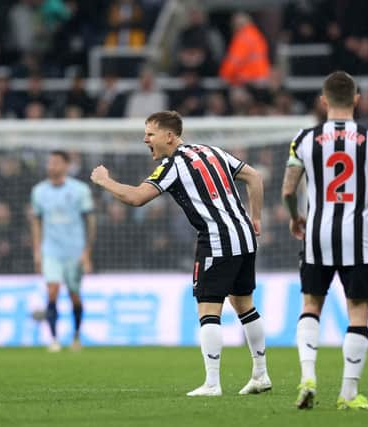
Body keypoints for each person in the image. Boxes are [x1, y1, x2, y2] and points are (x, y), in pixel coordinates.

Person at [90, 111, 271, 397]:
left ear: (169, 136)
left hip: (216, 240)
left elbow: (137, 198)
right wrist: (256, 217)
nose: (145, 138)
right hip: (244, 236)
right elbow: (254, 177)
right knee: (244, 305)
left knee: (208, 309)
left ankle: (212, 383)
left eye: (150, 133)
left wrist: (104, 181)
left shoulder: (173, 165)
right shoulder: (212, 151)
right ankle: (261, 375)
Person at [281, 71, 368, 410]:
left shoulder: (304, 138)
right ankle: (348, 394)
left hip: (317, 234)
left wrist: (295, 215)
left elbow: (289, 189)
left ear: (323, 101)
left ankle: (308, 376)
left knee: (310, 306)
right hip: (357, 236)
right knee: (358, 313)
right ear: (357, 99)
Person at [31, 151, 96, 352]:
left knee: (74, 295)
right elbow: (36, 221)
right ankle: (54, 339)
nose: (52, 166)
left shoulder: (79, 190)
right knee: (52, 290)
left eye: (57, 163)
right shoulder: (39, 191)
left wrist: (87, 252)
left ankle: (76, 336)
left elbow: (90, 221)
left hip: (75, 251)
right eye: (50, 163)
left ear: (66, 166)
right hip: (51, 250)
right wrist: (37, 250)